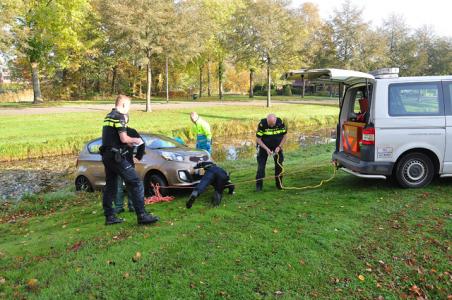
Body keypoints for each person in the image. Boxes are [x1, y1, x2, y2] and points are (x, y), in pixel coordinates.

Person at [99, 95, 159, 225]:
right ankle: (142, 215)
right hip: (116, 157)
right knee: (136, 182)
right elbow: (124, 138)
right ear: (124, 105)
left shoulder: (108, 116)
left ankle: (109, 216)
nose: (129, 109)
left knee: (111, 186)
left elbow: (113, 139)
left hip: (107, 156)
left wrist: (127, 144)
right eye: (129, 106)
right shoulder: (119, 116)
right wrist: (136, 140)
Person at [114, 127, 146, 214]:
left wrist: (138, 157)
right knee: (118, 186)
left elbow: (142, 144)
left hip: (128, 163)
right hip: (116, 164)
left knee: (131, 185)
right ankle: (119, 207)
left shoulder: (132, 131)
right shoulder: (112, 132)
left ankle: (132, 206)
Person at [255, 114, 288, 191]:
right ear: (267, 121)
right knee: (261, 167)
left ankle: (279, 184)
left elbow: (285, 136)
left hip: (277, 147)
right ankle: (259, 186)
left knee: (279, 165)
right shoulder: (262, 124)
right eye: (270, 124)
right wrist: (266, 149)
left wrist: (279, 147)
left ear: (275, 120)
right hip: (264, 147)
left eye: (273, 124)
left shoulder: (280, 123)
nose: (271, 125)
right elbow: (258, 139)